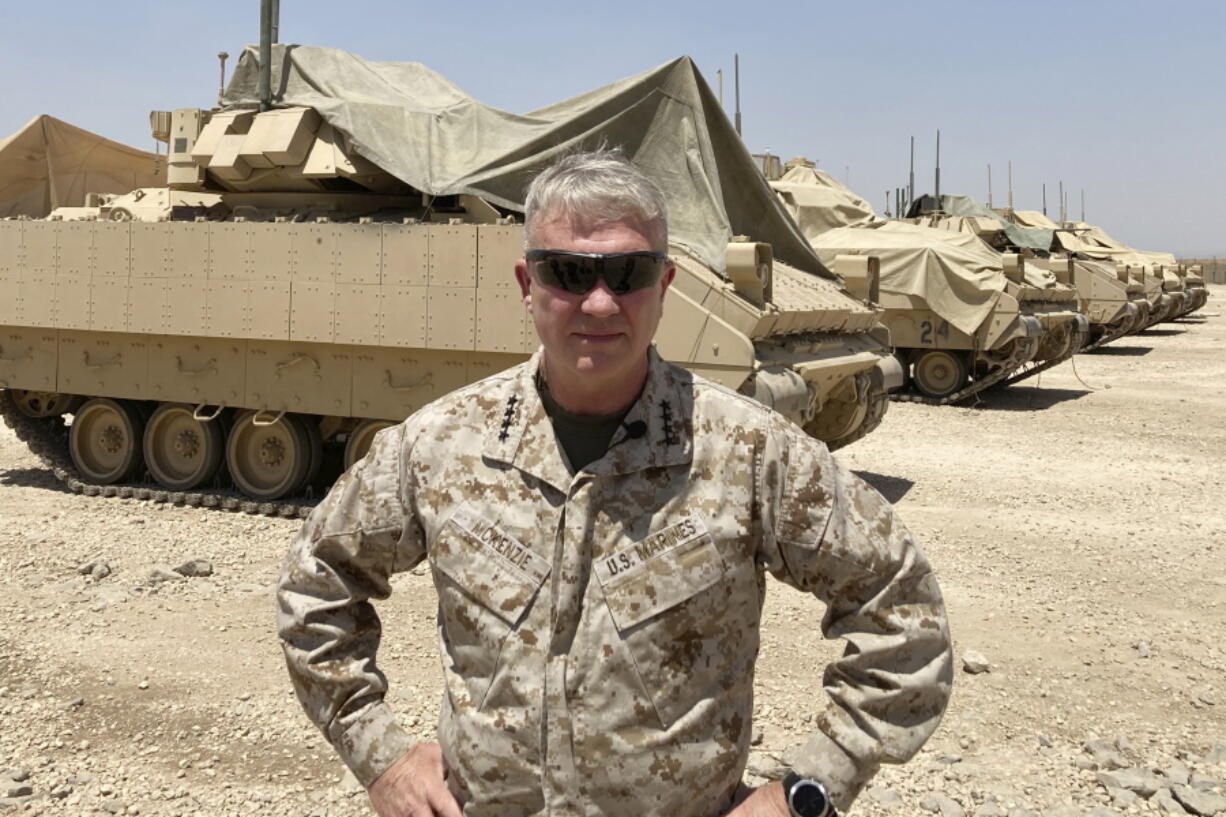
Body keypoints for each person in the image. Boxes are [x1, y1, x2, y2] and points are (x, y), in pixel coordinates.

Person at [277, 149, 953, 817]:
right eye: (569, 271)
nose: (599, 301)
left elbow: (904, 610)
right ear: (527, 283)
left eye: (627, 272)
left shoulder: (746, 451)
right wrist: (381, 754)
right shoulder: (443, 443)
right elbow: (316, 580)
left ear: (662, 287)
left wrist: (808, 789)